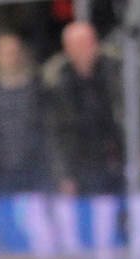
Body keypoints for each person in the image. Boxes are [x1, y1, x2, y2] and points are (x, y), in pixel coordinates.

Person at [42, 22, 128, 196]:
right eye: (79, 45)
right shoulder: (57, 83)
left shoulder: (115, 73)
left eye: (89, 42)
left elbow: (136, 116)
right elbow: (54, 135)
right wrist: (63, 174)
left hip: (118, 159)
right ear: (68, 49)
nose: (86, 49)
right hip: (80, 166)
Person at [0, 31, 54, 198]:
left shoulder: (38, 91)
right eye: (5, 53)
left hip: (34, 173)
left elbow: (48, 133)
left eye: (14, 52)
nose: (10, 58)